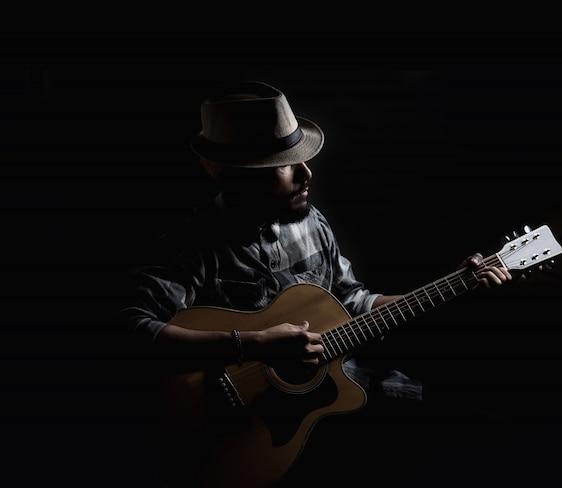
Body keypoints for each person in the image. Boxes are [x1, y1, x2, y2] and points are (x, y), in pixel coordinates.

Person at [114, 80, 514, 488]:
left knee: (478, 427)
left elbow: (352, 301)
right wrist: (251, 344)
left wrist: (459, 285)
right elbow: (130, 332)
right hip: (248, 432)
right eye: (285, 165)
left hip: (340, 390)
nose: (306, 174)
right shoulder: (191, 248)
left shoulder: (311, 222)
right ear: (236, 175)